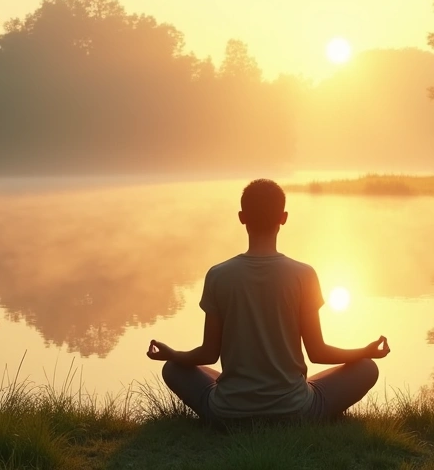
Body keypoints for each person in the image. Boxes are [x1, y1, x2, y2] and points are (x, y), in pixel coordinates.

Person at [146, 178, 390, 423]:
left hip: (228, 413)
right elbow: (317, 353)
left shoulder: (218, 275)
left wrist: (173, 354)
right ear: (283, 218)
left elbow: (208, 354)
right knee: (366, 368)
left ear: (242, 217)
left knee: (173, 367)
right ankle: (289, 399)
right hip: (296, 412)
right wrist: (364, 351)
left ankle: (238, 404)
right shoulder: (304, 275)